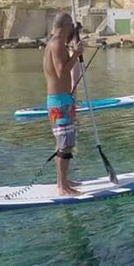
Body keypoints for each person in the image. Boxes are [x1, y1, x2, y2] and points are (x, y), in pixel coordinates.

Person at [43, 12, 84, 196]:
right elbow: (61, 71)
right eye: (71, 29)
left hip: (61, 99)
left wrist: (74, 45)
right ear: (65, 26)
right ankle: (62, 186)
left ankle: (63, 180)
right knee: (65, 144)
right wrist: (76, 54)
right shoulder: (57, 43)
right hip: (59, 102)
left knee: (64, 142)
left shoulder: (54, 43)